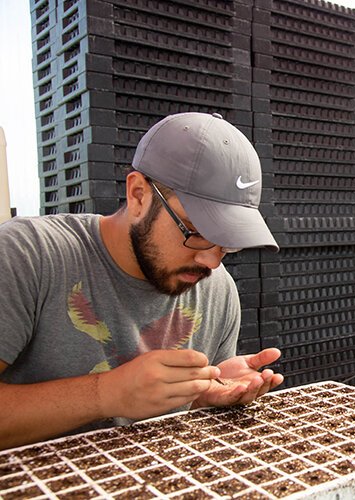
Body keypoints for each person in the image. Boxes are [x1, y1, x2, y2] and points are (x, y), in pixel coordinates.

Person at [0, 112, 283, 450]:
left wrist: (207, 396)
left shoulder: (217, 288)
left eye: (229, 240)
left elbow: (183, 426)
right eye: (196, 231)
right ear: (138, 195)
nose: (211, 259)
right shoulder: (28, 255)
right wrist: (106, 394)